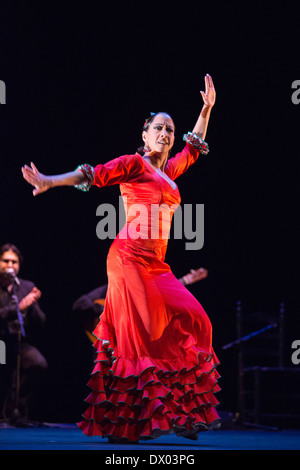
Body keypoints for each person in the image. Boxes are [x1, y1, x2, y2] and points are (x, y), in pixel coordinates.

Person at [22, 74, 221, 442]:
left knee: (198, 321)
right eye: (159, 128)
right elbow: (93, 174)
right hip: (128, 257)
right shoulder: (135, 163)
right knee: (138, 338)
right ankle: (132, 422)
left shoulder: (169, 172)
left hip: (157, 265)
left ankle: (178, 408)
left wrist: (206, 109)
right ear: (144, 135)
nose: (166, 133)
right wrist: (50, 181)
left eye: (171, 130)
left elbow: (193, 148)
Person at [0, 244, 48, 425]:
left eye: (14, 261)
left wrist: (33, 303)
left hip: (17, 342)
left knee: (38, 363)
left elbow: (40, 322)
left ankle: (16, 408)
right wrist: (19, 308)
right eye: (5, 260)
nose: (10, 264)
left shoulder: (26, 286)